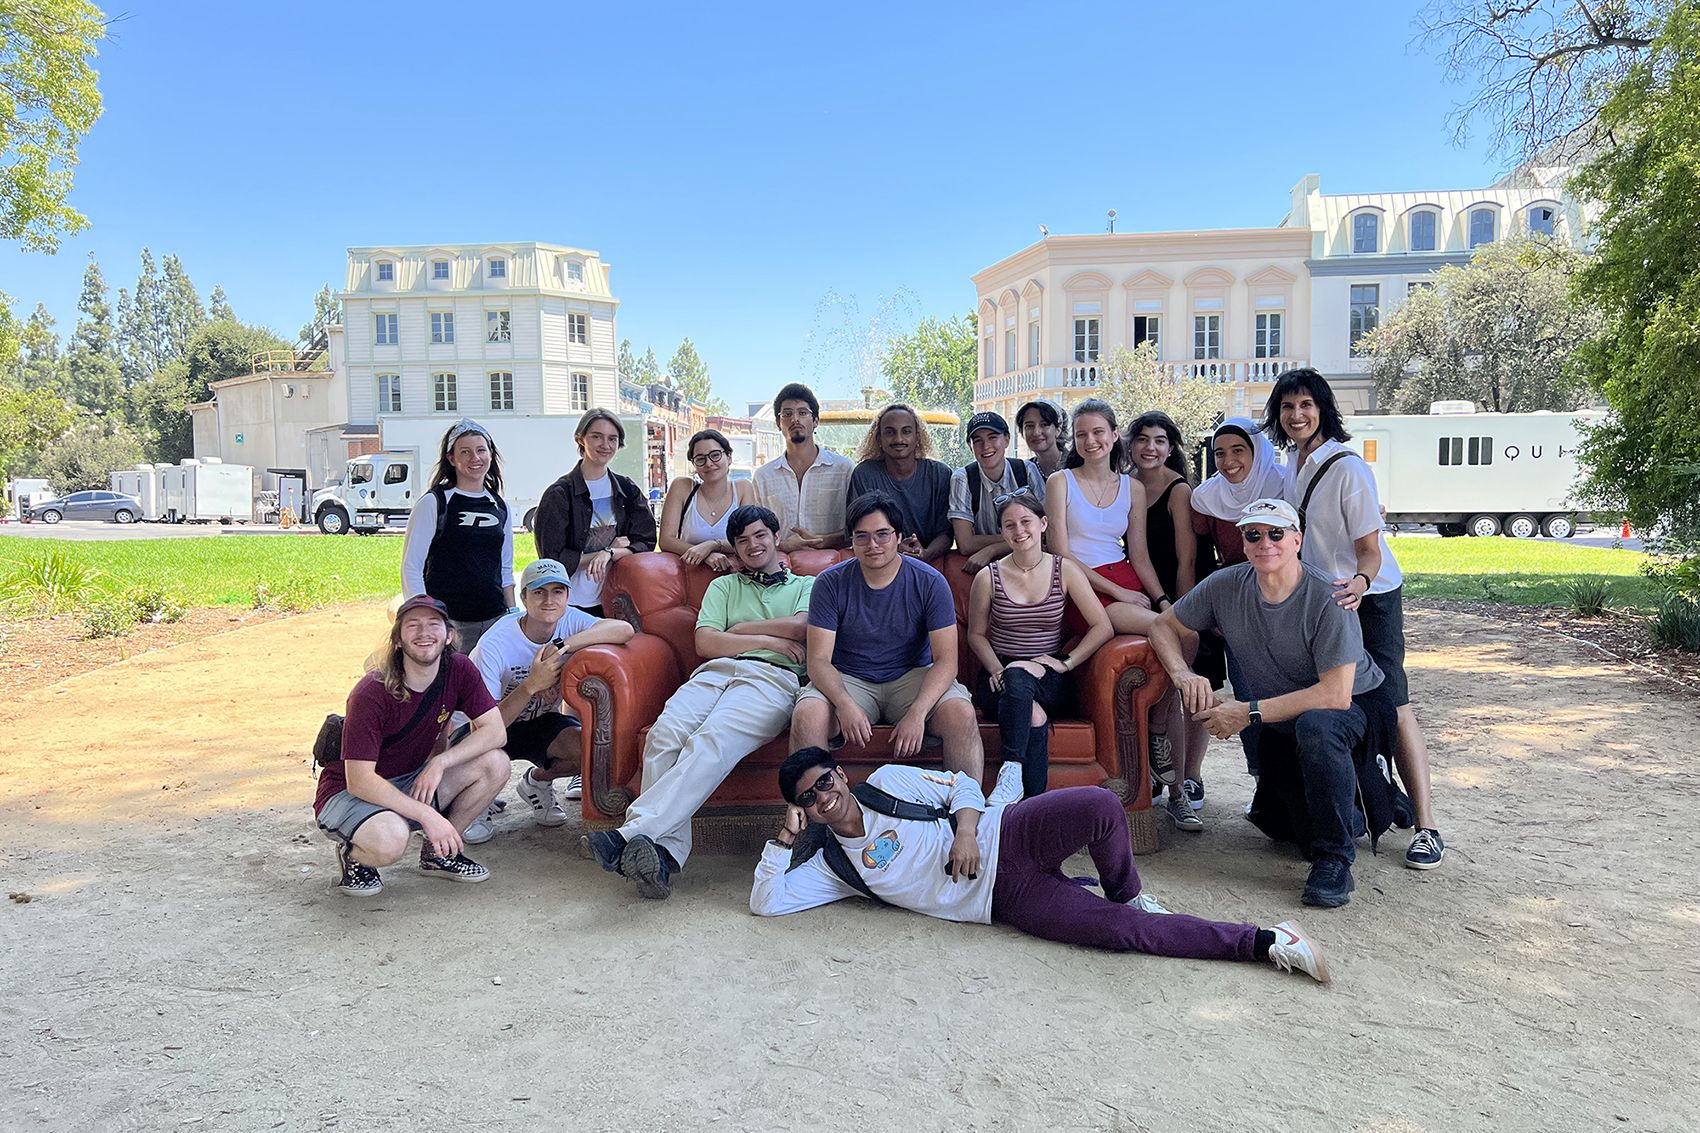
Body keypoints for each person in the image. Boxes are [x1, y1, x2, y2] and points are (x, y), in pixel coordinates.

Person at [750, 749, 1331, 983]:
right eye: (808, 798)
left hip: (1010, 831)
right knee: (1125, 935)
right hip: (1006, 901)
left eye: (825, 782)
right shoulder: (832, 866)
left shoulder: (883, 784)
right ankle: (1267, 943)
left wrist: (969, 832)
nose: (823, 798)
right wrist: (782, 838)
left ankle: (1127, 890)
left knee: (1103, 805)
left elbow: (957, 788)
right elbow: (766, 902)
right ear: (803, 809)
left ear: (839, 776)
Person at [1151, 498, 1396, 908]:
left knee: (1316, 729)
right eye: (1253, 534)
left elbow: (1334, 695)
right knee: (1279, 827)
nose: (1265, 542)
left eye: (1276, 533)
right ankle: (1368, 801)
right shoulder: (1226, 585)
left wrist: (1246, 713)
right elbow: (1163, 625)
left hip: (1353, 705)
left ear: (1297, 540)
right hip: (1284, 713)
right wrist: (1183, 673)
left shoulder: (1328, 597)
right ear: (1243, 542)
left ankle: (1335, 861)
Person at [1261, 369, 1445, 871]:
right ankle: (1376, 800)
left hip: (1369, 598)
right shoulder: (1290, 466)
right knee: (1335, 704)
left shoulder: (1348, 468)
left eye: (1305, 405)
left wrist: (1360, 585)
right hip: (1323, 601)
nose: (1296, 415)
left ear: (1324, 409)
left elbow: (1370, 550)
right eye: (1287, 407)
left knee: (1393, 705)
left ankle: (1428, 829)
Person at [582, 505, 815, 899]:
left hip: (772, 680)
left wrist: (740, 629)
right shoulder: (723, 587)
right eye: (742, 540)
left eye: (760, 535)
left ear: (776, 538)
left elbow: (803, 626)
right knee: (664, 736)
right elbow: (706, 642)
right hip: (713, 674)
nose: (753, 545)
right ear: (735, 549)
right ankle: (663, 855)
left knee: (711, 739)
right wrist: (771, 640)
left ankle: (632, 834)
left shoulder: (805, 586)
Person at [314, 595, 509, 895]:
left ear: (449, 636)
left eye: (434, 624)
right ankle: (354, 857)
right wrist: (427, 815)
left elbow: (495, 732)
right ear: (398, 641)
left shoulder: (459, 669)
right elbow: (360, 781)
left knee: (496, 763)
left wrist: (440, 762)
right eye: (413, 625)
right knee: (391, 840)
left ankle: (438, 854)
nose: (424, 632)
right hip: (348, 791)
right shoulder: (371, 692)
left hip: (408, 778)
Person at [791, 490, 984, 781]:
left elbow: (946, 661)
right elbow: (818, 660)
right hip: (849, 678)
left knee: (961, 714)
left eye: (882, 534)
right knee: (807, 714)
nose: (873, 545)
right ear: (852, 540)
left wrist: (918, 713)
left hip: (911, 676)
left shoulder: (931, 582)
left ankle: (965, 819)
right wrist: (844, 703)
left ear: (898, 536)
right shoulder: (829, 582)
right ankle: (813, 816)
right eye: (862, 536)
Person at [1043, 398, 1180, 784]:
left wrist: (1163, 600)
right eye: (1082, 434)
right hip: (1081, 585)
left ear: (1114, 434)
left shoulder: (1132, 487)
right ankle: (1156, 737)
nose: (1091, 441)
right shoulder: (1061, 481)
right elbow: (1061, 553)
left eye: (1098, 432)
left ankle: (1156, 729)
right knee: (1166, 630)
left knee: (1182, 631)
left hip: (1125, 578)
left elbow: (1139, 554)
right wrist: (1117, 593)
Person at [466, 558, 634, 837]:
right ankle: (475, 805)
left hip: (538, 721)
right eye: (539, 592)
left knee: (592, 751)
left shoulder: (570, 620)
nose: (549, 600)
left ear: (568, 596)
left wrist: (560, 649)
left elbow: (624, 630)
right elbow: (482, 727)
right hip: (482, 727)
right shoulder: (495, 644)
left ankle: (537, 782)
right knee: (483, 754)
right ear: (523, 598)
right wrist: (532, 685)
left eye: (558, 591)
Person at [966, 491, 1113, 802]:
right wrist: (996, 667)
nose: (1019, 531)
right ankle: (1034, 805)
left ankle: (1010, 771)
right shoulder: (987, 577)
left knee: (1022, 678)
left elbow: (1103, 626)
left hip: (1049, 673)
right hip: (998, 676)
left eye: (1026, 522)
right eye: (1009, 526)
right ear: (1002, 532)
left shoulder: (1065, 570)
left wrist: (1066, 663)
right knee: (1032, 714)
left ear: (1043, 523)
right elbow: (976, 635)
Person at [1189, 417, 1290, 786]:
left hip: (1288, 601)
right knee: (1249, 696)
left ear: (1257, 451)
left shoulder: (1284, 482)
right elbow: (1201, 557)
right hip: (1237, 606)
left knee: (1290, 695)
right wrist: (1212, 608)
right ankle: (1265, 787)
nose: (1228, 460)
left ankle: (1297, 787)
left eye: (1238, 450)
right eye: (1219, 453)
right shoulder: (1206, 498)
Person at [1128, 411, 1210, 832]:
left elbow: (1187, 559)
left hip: (1177, 598)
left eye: (1160, 441)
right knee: (1154, 688)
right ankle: (1160, 779)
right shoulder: (1125, 484)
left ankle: (1184, 786)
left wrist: (1180, 610)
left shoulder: (1179, 490)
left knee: (1189, 690)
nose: (1151, 448)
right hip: (1138, 594)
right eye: (1143, 439)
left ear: (1172, 447)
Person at [400, 419, 515, 651]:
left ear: (491, 455)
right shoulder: (435, 503)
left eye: (481, 450)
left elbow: (505, 569)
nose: (475, 458)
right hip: (450, 623)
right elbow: (411, 566)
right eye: (465, 452)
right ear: (451, 459)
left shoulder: (499, 506)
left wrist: (512, 615)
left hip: (494, 620)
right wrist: (428, 619)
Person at [534, 407, 657, 616]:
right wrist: (604, 553)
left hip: (617, 599)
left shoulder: (627, 489)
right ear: (581, 439)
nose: (605, 445)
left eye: (612, 439)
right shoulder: (559, 494)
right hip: (572, 603)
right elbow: (553, 560)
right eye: (596, 437)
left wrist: (611, 553)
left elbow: (646, 543)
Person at [847, 403, 954, 564]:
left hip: (931, 563)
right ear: (879, 439)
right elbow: (857, 530)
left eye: (906, 431)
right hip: (879, 561)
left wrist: (925, 553)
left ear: (918, 437)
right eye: (890, 432)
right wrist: (894, 549)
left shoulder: (940, 474)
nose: (898, 439)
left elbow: (946, 533)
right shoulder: (864, 474)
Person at [754, 382, 852, 553]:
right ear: (778, 423)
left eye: (803, 412)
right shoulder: (763, 477)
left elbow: (860, 527)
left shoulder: (843, 469)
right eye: (787, 414)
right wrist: (782, 545)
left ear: (816, 421)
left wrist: (822, 541)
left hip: (833, 567)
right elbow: (755, 532)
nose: (795, 419)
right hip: (782, 571)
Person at [948, 411, 1046, 573]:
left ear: (1007, 439)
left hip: (1029, 564)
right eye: (977, 440)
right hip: (984, 569)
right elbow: (965, 544)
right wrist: (1024, 537)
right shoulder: (963, 478)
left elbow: (1046, 530)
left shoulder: (1026, 471)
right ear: (971, 447)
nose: (986, 446)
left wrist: (992, 549)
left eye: (993, 437)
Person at [658, 428, 757, 572]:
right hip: (690, 577)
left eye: (715, 455)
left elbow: (749, 538)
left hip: (734, 576)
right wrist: (705, 555)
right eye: (700, 459)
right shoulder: (682, 487)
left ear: (729, 457)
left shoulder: (742, 488)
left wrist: (712, 545)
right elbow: (666, 540)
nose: (709, 463)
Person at [1015, 399, 1068, 479]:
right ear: (1022, 432)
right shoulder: (1022, 472)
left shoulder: (1076, 466)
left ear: (1058, 430)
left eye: (1044, 425)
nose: (1036, 433)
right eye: (1030, 426)